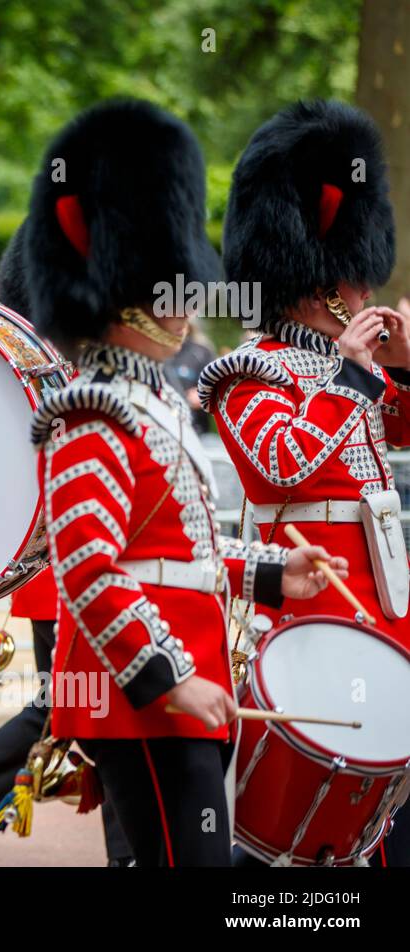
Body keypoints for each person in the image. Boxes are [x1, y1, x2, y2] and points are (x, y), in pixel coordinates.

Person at [23, 99, 339, 866]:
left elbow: (177, 551)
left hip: (184, 685)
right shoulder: (93, 414)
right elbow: (89, 572)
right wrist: (167, 682)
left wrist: (271, 570)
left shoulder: (152, 403)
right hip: (149, 698)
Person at [197, 100, 410, 866]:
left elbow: (399, 431)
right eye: (347, 281)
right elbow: (280, 464)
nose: (358, 293)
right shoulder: (247, 371)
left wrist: (402, 367)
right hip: (308, 610)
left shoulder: (350, 370)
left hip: (385, 605)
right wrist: (352, 377)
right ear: (311, 286)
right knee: (289, 834)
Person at [0, 224, 133, 867]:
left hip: (79, 562)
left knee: (85, 706)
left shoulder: (78, 365)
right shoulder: (55, 373)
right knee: (81, 704)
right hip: (69, 565)